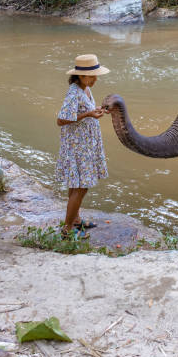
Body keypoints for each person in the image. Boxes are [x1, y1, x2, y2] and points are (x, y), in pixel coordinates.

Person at [56, 54, 110, 238]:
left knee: (77, 184)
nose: (95, 79)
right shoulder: (74, 92)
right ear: (80, 76)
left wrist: (95, 111)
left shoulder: (85, 88)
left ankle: (76, 220)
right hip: (77, 146)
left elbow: (83, 111)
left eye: (96, 75)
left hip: (85, 143)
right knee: (81, 186)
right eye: (92, 76)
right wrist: (88, 114)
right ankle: (67, 230)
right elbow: (61, 120)